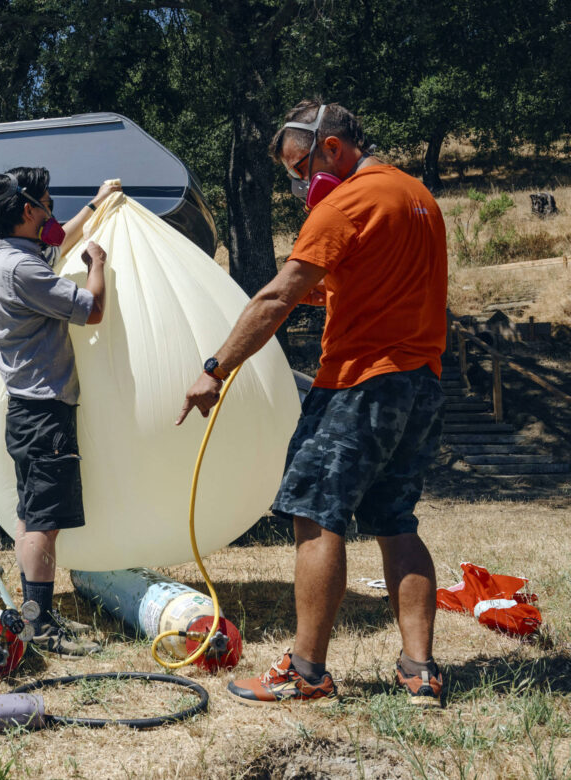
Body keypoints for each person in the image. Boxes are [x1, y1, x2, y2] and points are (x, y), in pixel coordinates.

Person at [177, 101, 448, 707]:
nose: (300, 184)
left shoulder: (344, 203)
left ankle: (306, 671)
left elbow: (276, 298)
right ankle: (420, 671)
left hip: (358, 383)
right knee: (396, 521)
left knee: (315, 515)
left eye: (300, 168)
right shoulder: (417, 197)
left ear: (332, 148)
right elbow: (374, 282)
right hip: (421, 383)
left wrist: (215, 368)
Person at [0, 167, 119, 655]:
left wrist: (98, 202)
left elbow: (60, 241)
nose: (52, 214)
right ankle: (39, 627)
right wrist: (98, 262)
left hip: (27, 411)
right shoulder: (25, 271)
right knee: (43, 523)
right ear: (27, 210)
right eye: (46, 204)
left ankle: (35, 613)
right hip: (44, 415)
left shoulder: (8, 259)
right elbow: (93, 308)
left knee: (30, 516)